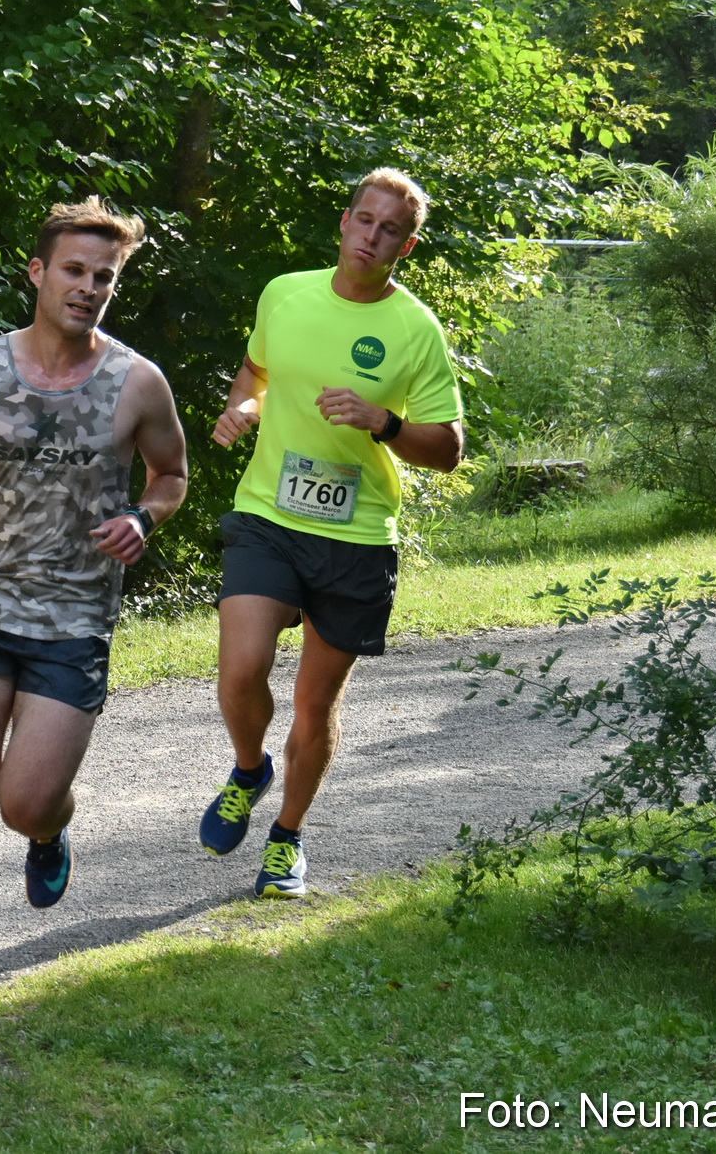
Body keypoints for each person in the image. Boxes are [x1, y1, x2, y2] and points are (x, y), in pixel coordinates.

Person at [0, 198, 188, 1014]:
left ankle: (52, 825)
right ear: (37, 272)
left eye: (106, 276)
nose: (89, 286)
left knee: (23, 800)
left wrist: (142, 516)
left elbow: (172, 476)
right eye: (74, 270)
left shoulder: (137, 381)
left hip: (73, 617)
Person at [198, 168, 464, 898]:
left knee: (316, 705)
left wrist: (387, 423)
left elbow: (448, 449)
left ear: (405, 248)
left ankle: (287, 837)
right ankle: (249, 767)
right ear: (345, 222)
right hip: (269, 515)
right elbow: (253, 372)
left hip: (355, 535)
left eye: (389, 231)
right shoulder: (286, 292)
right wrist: (246, 410)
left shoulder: (416, 331)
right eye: (364, 220)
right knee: (241, 666)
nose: (371, 237)